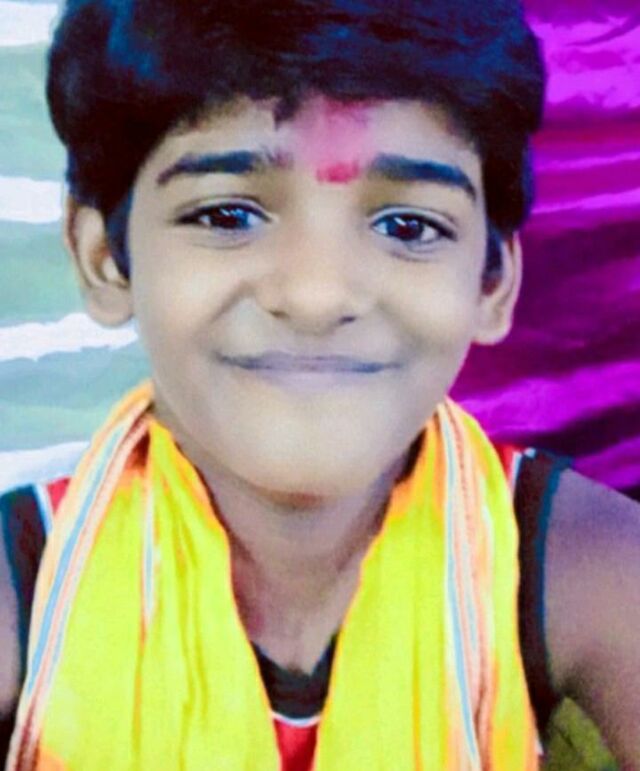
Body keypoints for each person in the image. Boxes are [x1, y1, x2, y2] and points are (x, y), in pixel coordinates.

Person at [0, 0, 639, 768]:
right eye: (227, 215)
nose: (315, 296)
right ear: (105, 259)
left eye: (407, 227)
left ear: (492, 281)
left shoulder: (584, 565)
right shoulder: (25, 586)